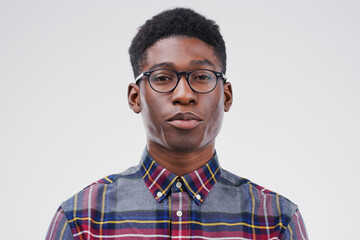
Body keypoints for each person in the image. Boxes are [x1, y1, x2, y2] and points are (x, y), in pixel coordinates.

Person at [46, 8, 308, 240]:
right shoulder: (81, 220)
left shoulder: (276, 222)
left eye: (202, 76)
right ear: (135, 97)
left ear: (226, 96)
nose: (184, 95)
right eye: (162, 77)